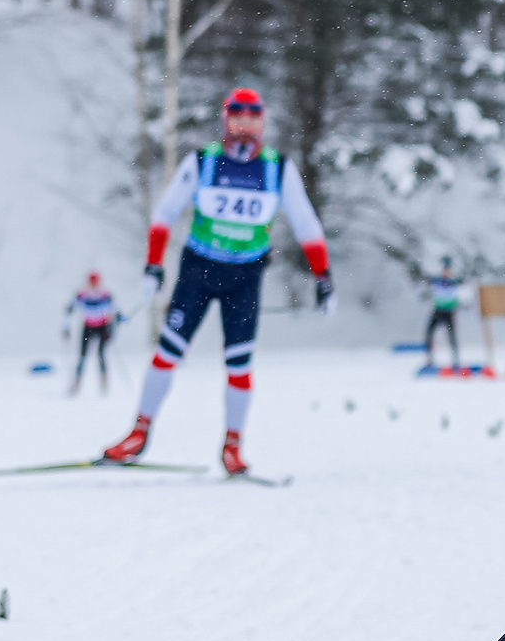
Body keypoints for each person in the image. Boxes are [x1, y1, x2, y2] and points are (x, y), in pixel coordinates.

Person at [102, 87, 332, 476]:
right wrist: (153, 265)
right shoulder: (203, 162)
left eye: (253, 120)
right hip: (198, 272)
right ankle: (138, 434)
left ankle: (233, 447)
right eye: (237, 119)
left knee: (239, 365)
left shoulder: (277, 168)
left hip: (244, 278)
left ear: (263, 124)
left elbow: (306, 222)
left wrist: (323, 275)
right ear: (226, 121)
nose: (245, 128)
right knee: (167, 354)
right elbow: (165, 213)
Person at [63, 272, 121, 396]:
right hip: (88, 327)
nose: (93, 285)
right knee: (82, 356)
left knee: (101, 355)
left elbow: (115, 308)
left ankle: (104, 383)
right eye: (91, 282)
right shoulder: (82, 294)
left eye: (95, 282)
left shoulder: (105, 293)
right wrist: (66, 327)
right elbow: (70, 308)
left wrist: (118, 318)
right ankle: (76, 384)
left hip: (103, 327)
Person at [424, 256, 464, 370]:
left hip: (449, 312)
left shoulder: (453, 282)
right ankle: (429, 358)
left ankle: (456, 360)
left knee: (452, 336)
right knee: (429, 333)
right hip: (438, 311)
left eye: (448, 270)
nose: (446, 272)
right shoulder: (437, 281)